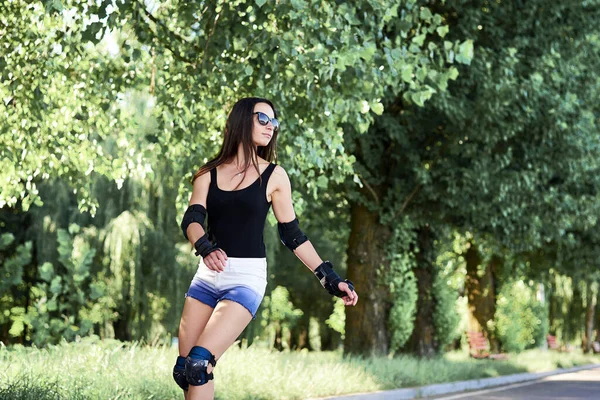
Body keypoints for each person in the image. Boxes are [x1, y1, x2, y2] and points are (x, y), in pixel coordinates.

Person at [174, 97, 358, 400]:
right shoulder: (208, 173)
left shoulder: (274, 176)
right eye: (263, 119)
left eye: (274, 122)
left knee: (199, 363)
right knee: (185, 371)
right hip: (207, 277)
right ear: (242, 120)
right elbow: (192, 220)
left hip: (246, 278)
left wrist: (331, 279)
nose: (271, 127)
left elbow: (293, 235)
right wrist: (205, 247)